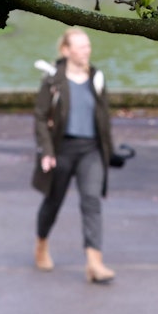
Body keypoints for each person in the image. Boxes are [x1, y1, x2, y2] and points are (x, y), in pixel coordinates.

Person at [32, 27, 115, 283]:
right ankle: (42, 245)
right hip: (62, 149)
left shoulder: (97, 78)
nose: (86, 51)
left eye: (88, 45)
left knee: (91, 201)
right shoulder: (53, 81)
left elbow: (104, 117)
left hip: (90, 150)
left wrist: (110, 150)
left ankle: (94, 263)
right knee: (53, 202)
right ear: (66, 51)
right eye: (80, 47)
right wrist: (47, 151)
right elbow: (39, 117)